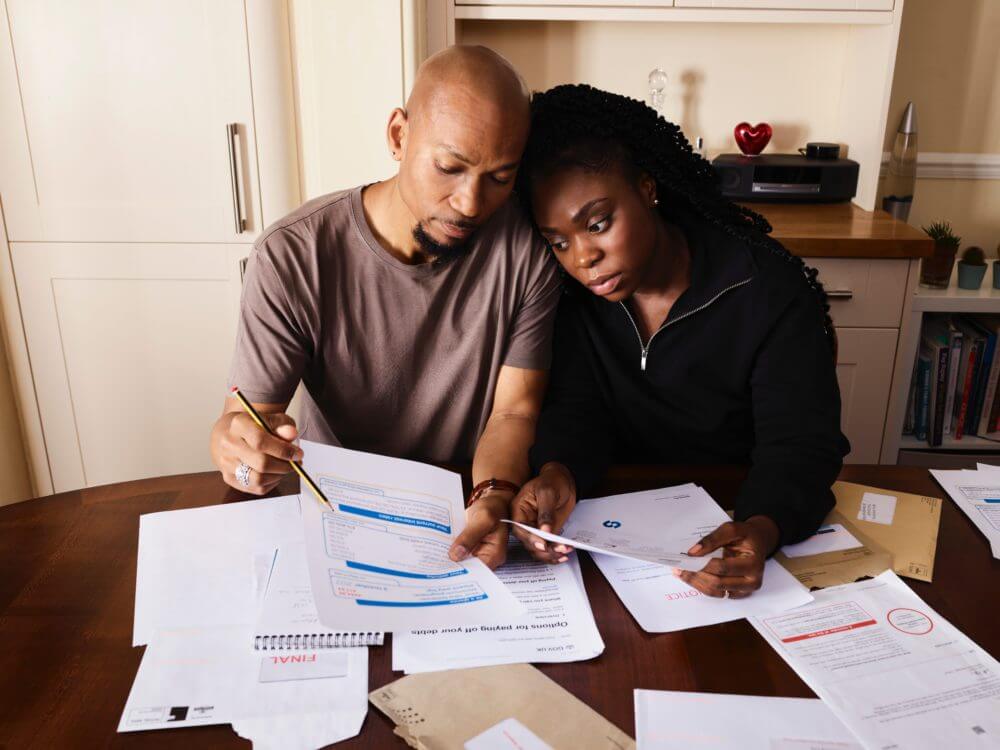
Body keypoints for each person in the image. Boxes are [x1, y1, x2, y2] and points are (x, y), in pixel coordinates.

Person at [209, 46, 562, 570]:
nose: (470, 204)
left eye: (499, 177)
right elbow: (248, 421)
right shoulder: (293, 255)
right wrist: (240, 454)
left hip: (461, 511)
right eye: (449, 167)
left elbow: (513, 411)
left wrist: (492, 494)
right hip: (335, 512)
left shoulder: (526, 252)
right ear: (398, 136)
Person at [506, 84, 850, 598]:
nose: (582, 257)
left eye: (598, 224)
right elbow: (578, 410)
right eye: (558, 241)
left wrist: (761, 528)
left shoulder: (765, 288)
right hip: (612, 545)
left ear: (647, 188)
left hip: (735, 524)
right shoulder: (572, 298)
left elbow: (801, 445)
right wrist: (559, 473)